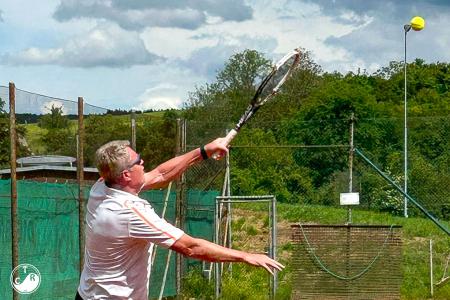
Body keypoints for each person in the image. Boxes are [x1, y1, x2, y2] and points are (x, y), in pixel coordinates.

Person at [76, 138, 284, 299]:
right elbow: (191, 247)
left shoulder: (102, 186)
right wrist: (245, 256)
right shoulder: (129, 212)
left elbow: (160, 174)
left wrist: (204, 151)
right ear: (126, 175)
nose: (143, 162)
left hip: (86, 295)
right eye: (138, 161)